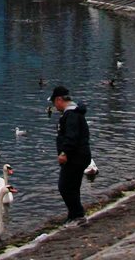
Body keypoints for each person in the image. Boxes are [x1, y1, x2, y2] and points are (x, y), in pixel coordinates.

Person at [50, 84, 92, 223]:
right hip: (81, 156)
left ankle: (78, 215)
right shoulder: (75, 113)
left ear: (59, 99)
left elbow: (71, 137)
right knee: (73, 187)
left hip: (74, 157)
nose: (54, 106)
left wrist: (64, 152)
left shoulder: (71, 115)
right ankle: (74, 215)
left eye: (54, 102)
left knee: (65, 187)